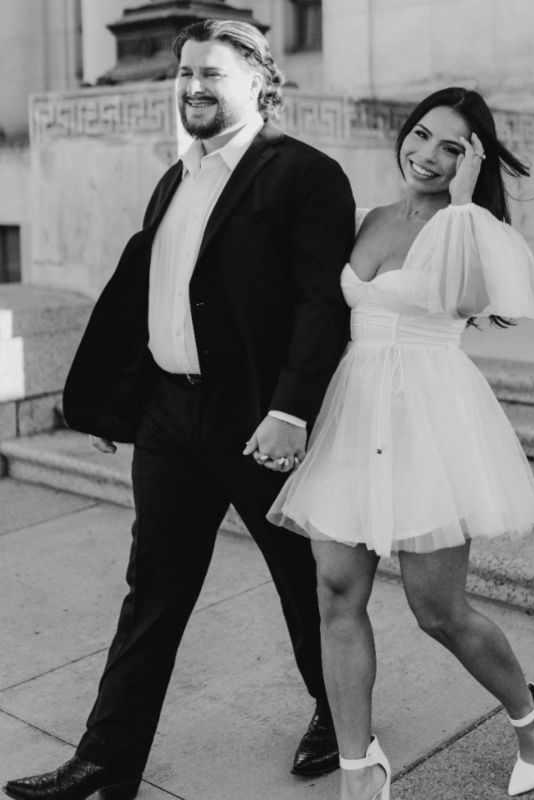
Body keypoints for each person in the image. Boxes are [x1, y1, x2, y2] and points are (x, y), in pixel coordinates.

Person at [3, 20, 354, 800]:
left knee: (301, 579)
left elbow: (321, 305)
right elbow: (158, 296)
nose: (193, 86)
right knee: (152, 590)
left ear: (260, 80)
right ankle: (106, 760)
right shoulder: (175, 178)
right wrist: (117, 401)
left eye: (212, 73)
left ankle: (339, 713)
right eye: (185, 72)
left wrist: (291, 412)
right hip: (170, 417)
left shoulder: (306, 174)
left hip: (256, 420)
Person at [267, 87, 534, 800]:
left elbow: (462, 302)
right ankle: (359, 770)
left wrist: (463, 204)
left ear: (473, 161)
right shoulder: (369, 218)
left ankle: (532, 715)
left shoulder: (472, 228)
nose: (428, 155)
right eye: (423, 134)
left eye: (452, 148)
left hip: (428, 420)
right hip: (355, 414)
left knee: (438, 610)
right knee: (336, 593)